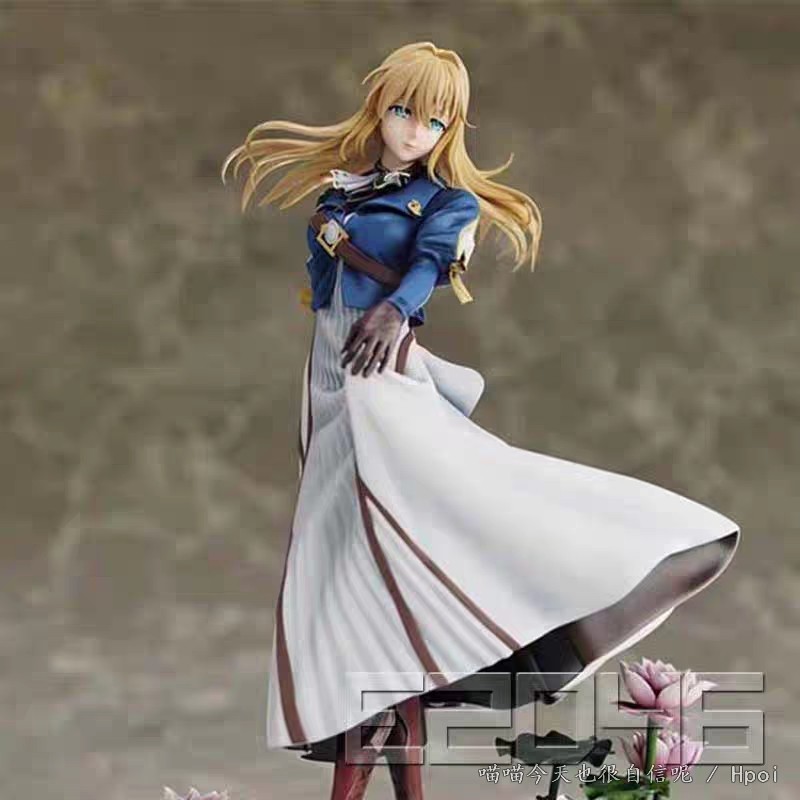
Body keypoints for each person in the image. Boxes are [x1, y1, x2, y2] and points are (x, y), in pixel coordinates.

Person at [221, 41, 740, 800]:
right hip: (331, 390)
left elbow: (430, 264)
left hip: (381, 383)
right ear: (380, 107)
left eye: (432, 121)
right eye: (403, 111)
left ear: (449, 129)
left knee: (409, 565)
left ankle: (600, 575)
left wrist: (397, 309)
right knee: (358, 601)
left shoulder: (445, 204)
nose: (413, 131)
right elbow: (324, 288)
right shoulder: (347, 193)